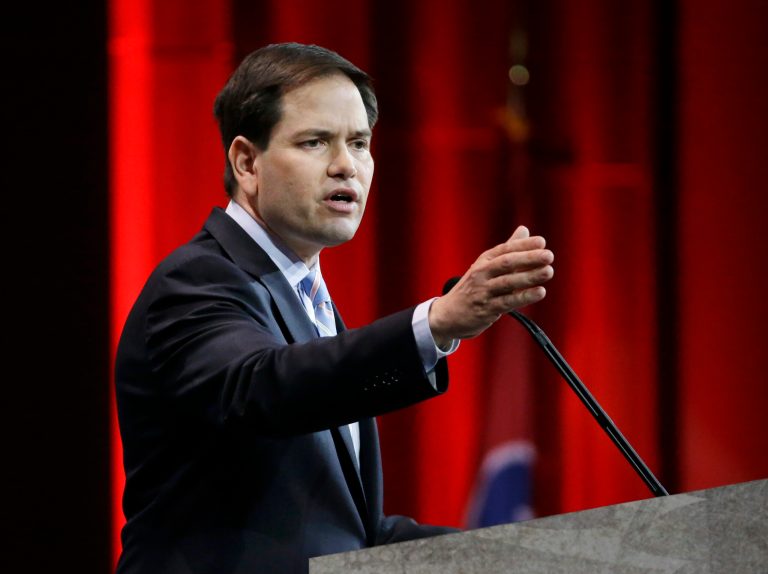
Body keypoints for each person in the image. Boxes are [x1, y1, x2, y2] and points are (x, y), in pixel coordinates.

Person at [114, 42, 554, 574]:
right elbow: (259, 388)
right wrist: (433, 323)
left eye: (360, 142)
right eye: (316, 142)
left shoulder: (307, 302)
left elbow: (349, 536)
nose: (347, 165)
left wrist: (531, 558)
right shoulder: (198, 280)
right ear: (247, 161)